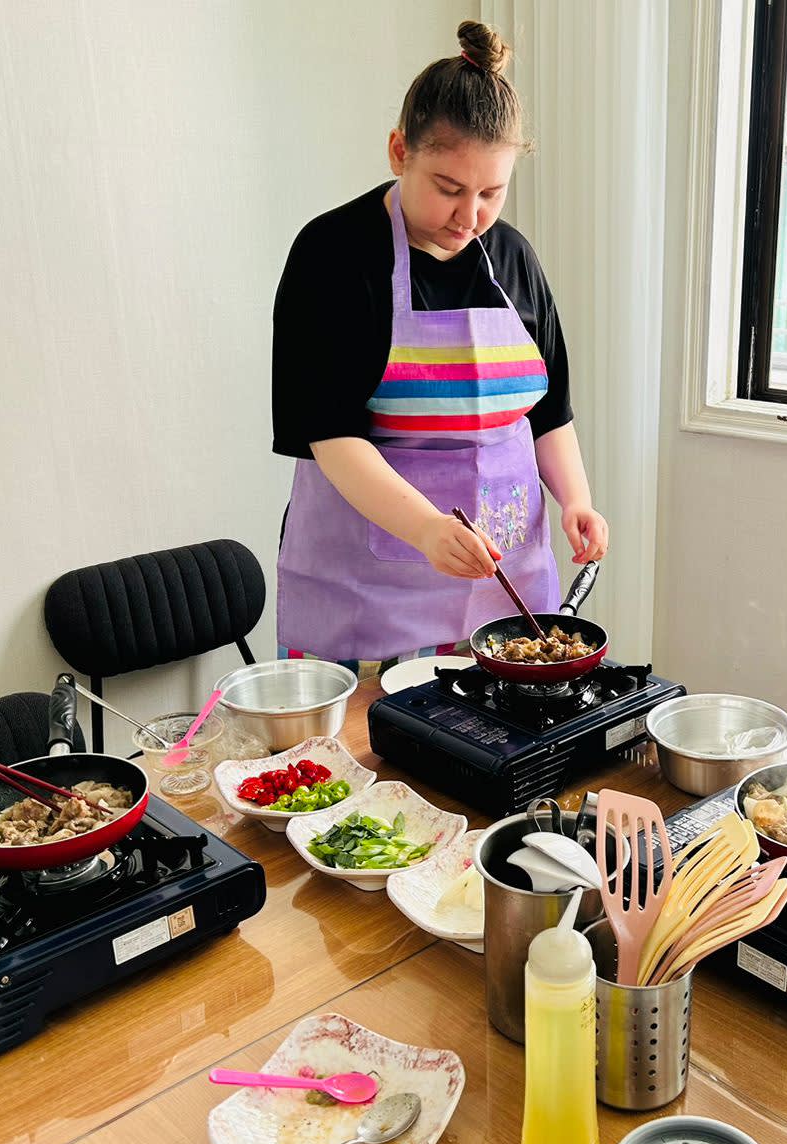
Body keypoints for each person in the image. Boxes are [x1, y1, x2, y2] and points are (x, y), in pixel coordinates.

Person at [270, 21, 607, 675]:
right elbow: (330, 435)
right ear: (400, 151)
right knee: (374, 738)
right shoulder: (334, 256)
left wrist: (576, 499)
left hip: (505, 589)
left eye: (492, 193)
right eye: (449, 188)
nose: (469, 216)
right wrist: (426, 528)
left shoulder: (513, 258)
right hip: (367, 594)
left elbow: (549, 411)